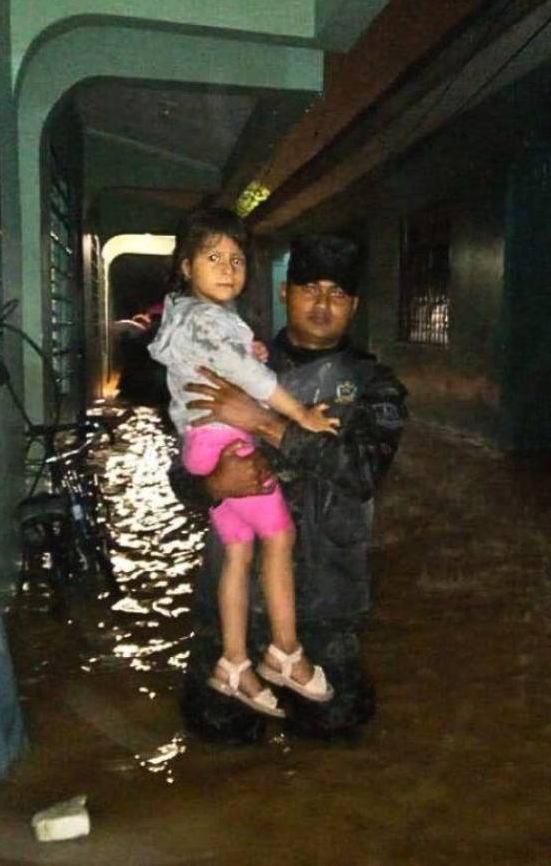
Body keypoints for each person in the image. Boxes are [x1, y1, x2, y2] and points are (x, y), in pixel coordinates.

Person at [171, 231, 408, 739]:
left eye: (338, 293)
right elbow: (180, 476)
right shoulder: (230, 356)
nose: (322, 303)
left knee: (335, 731)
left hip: (326, 604)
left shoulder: (375, 385)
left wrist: (266, 424)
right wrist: (214, 482)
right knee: (217, 734)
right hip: (235, 602)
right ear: (285, 292)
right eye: (309, 288)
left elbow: (363, 474)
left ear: (354, 304)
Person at [148, 208, 339, 720]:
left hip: (204, 442)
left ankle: (233, 663)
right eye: (214, 258)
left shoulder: (193, 318)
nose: (229, 268)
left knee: (238, 552)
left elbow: (229, 362)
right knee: (278, 537)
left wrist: (246, 352)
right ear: (186, 266)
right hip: (224, 445)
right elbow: (249, 382)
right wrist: (297, 416)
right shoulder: (208, 319)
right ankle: (285, 652)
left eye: (237, 260)